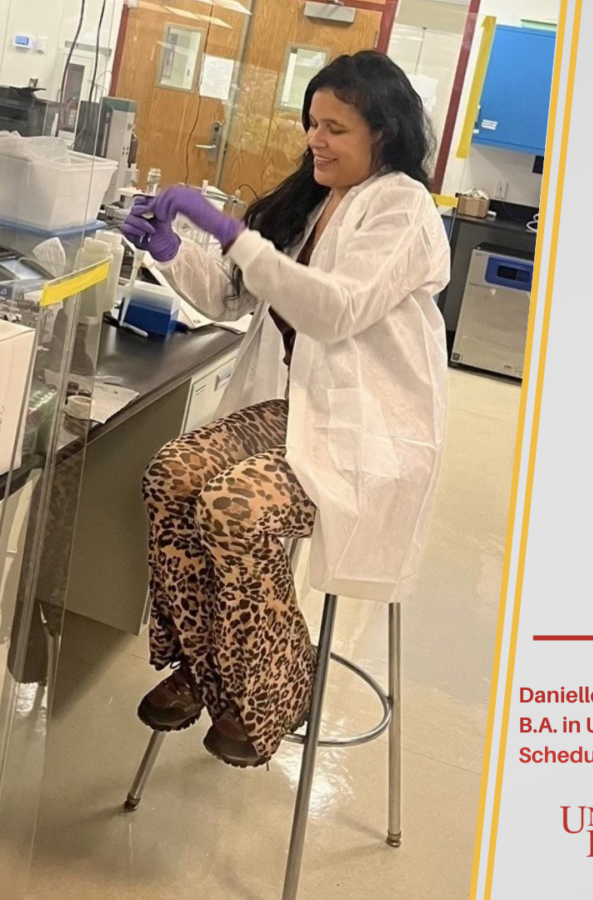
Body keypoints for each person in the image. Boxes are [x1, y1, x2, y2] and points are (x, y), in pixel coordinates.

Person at [120, 51, 451, 768]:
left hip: (368, 431)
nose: (316, 141)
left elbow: (334, 311)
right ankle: (208, 668)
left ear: (384, 135)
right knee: (171, 477)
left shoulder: (403, 208)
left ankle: (274, 682)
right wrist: (171, 250)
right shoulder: (312, 199)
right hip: (290, 410)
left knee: (232, 510)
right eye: (312, 124)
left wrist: (236, 234)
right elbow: (234, 296)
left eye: (336, 128)